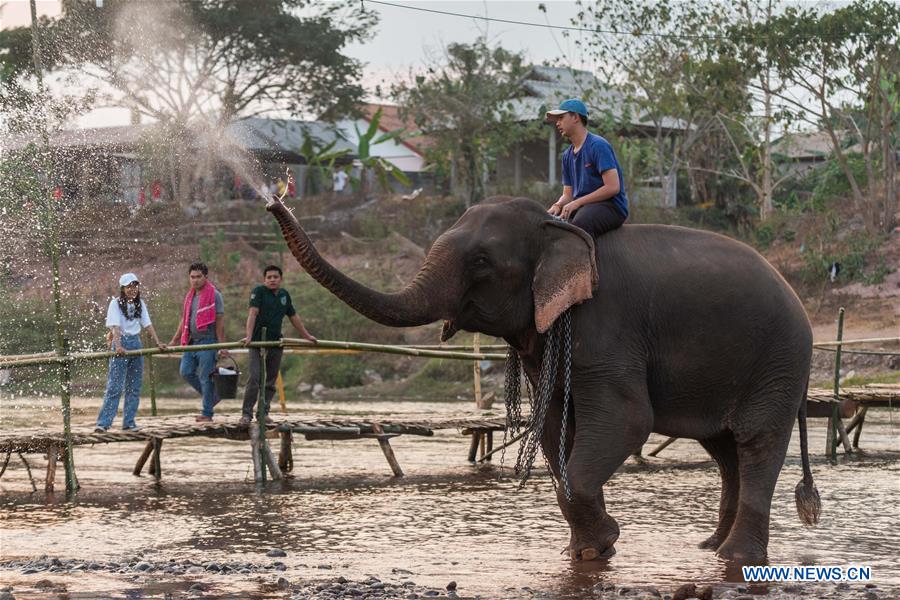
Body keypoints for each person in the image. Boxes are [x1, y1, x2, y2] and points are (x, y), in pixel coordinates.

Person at [239, 265, 316, 426]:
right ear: (264, 279)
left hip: (275, 341)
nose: (272, 280)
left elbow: (293, 316)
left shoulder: (284, 295)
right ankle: (246, 414)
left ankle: (263, 412)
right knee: (254, 377)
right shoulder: (258, 292)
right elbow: (252, 313)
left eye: (275, 277)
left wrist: (306, 335)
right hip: (257, 341)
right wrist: (249, 336)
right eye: (269, 277)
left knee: (271, 380)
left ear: (280, 279)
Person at [546, 99, 629, 237]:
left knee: (581, 223)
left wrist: (577, 203)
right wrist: (557, 205)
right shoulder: (567, 155)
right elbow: (568, 194)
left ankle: (588, 259)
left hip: (611, 206)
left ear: (576, 117)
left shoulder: (598, 145)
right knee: (553, 225)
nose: (557, 123)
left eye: (561, 118)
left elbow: (613, 187)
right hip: (584, 207)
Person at [95, 273, 166, 432]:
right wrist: (118, 345)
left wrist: (158, 342)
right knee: (115, 386)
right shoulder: (115, 303)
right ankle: (103, 423)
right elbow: (115, 326)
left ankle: (129, 423)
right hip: (122, 342)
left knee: (134, 387)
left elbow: (147, 324)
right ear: (123, 288)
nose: (132, 289)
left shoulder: (140, 303)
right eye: (129, 287)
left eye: (134, 286)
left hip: (136, 343)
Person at [169, 262, 229, 422]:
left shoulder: (214, 295)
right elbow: (184, 320)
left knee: (205, 377)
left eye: (198, 277)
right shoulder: (190, 296)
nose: (195, 280)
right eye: (192, 277)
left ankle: (207, 413)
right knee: (186, 371)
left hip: (208, 341)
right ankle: (213, 397)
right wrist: (174, 340)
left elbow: (220, 321)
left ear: (205, 277)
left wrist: (222, 346)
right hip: (191, 342)